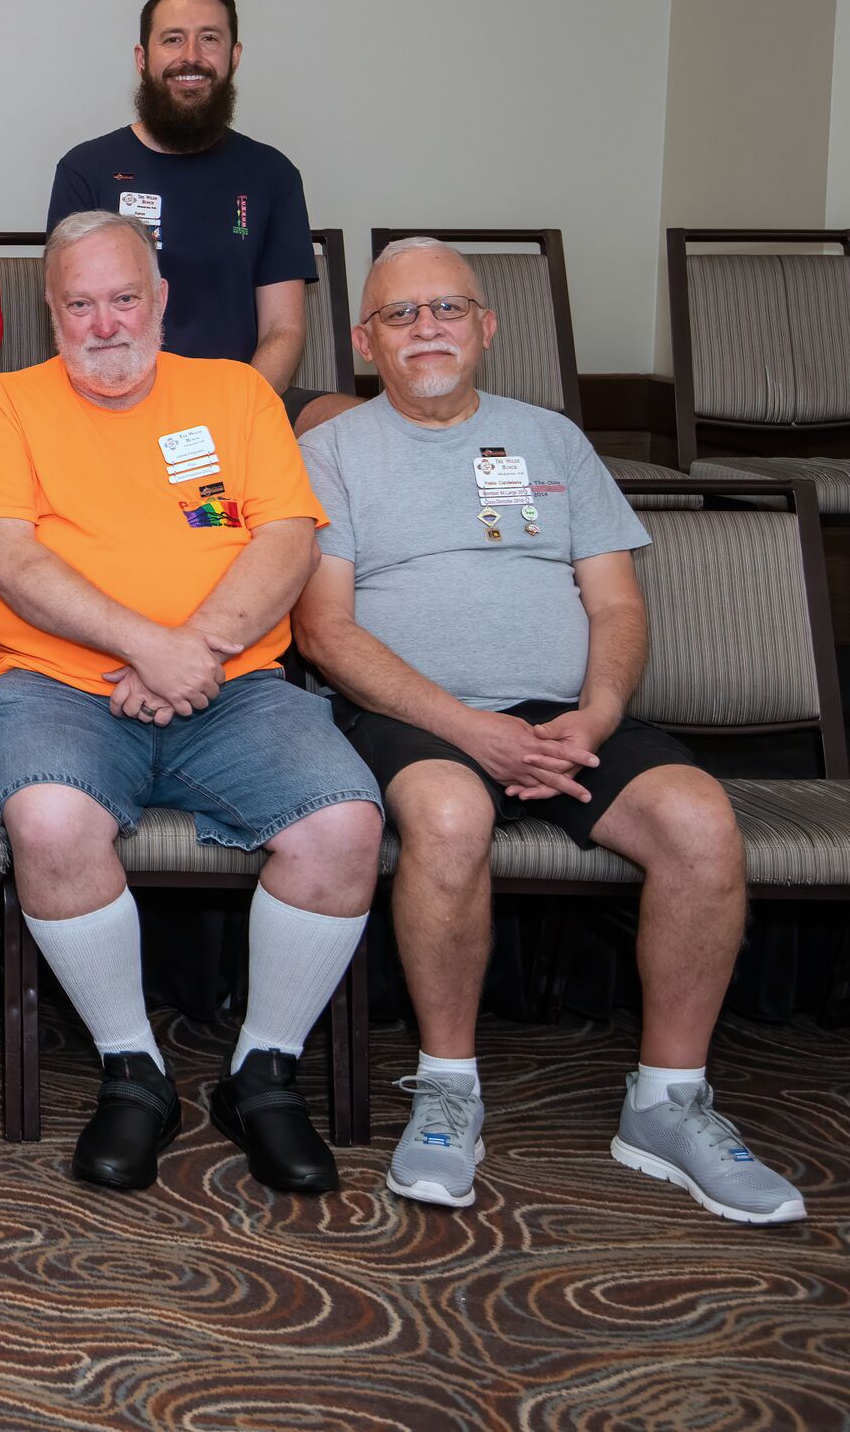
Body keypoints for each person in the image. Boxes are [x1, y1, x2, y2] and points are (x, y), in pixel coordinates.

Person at [294, 238, 804, 1225]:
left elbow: (615, 604)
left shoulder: (552, 438)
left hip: (566, 715)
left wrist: (596, 715)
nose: (426, 328)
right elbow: (324, 631)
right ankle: (449, 1089)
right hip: (412, 713)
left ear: (487, 326)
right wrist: (471, 730)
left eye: (448, 308)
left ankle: (668, 1102)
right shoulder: (331, 452)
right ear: (364, 342)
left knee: (699, 820)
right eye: (400, 314)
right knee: (448, 816)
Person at [0, 211, 381, 1196]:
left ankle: (263, 1072)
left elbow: (286, 540)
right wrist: (149, 645)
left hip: (234, 685)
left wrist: (194, 651)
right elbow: (9, 558)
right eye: (79, 304)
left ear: (161, 299)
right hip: (51, 685)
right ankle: (132, 1067)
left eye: (123, 298)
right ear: (49, 311)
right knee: (49, 821)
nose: (104, 324)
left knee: (344, 823)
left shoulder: (234, 392)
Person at [46, 0, 338, 428]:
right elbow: (76, 323)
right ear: (142, 58)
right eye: (172, 39)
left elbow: (283, 330)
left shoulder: (273, 174)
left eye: (209, 39)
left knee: (349, 422)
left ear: (233, 57)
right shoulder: (86, 170)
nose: (191, 56)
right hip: (119, 399)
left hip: (243, 397)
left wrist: (234, 415)